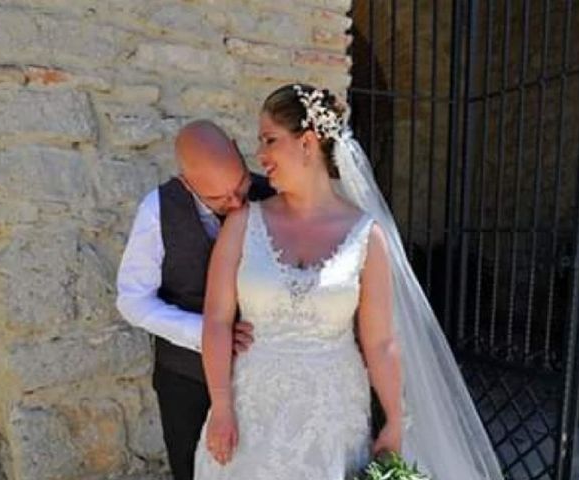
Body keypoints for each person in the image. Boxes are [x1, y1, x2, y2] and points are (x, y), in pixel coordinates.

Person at [193, 85, 505, 480]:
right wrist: (221, 407)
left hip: (333, 417)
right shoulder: (242, 224)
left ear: (307, 143)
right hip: (250, 413)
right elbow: (217, 320)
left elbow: (380, 341)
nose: (261, 156)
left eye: (270, 140)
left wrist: (394, 419)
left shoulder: (366, 236)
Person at [116, 120, 274, 480]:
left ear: (236, 147)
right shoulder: (157, 209)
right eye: (218, 198)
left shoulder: (273, 196)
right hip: (186, 378)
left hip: (263, 373)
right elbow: (132, 300)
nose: (236, 204)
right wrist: (203, 332)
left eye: (240, 188)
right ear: (187, 182)